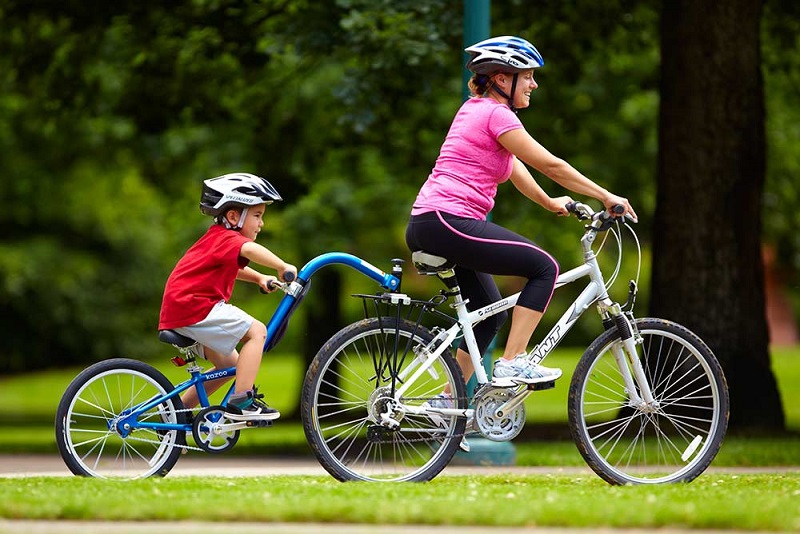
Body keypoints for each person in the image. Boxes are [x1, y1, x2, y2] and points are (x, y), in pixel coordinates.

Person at [406, 36, 637, 410]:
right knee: (544, 267)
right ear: (501, 78)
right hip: (448, 219)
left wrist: (548, 202)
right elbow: (551, 165)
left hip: (431, 222)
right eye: (528, 75)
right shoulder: (497, 114)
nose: (534, 84)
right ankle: (514, 362)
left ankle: (446, 403)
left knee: (488, 312)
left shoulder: (474, 110)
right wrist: (606, 196)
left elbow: (513, 165)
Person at [159, 173, 297, 421]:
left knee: (231, 367)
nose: (261, 223)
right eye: (257, 216)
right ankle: (242, 400)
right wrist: (281, 265)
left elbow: (236, 267)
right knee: (257, 332)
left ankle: (175, 414)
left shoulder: (217, 241)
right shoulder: (227, 238)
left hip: (185, 308)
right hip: (196, 306)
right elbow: (249, 250)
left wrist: (258, 278)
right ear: (233, 217)